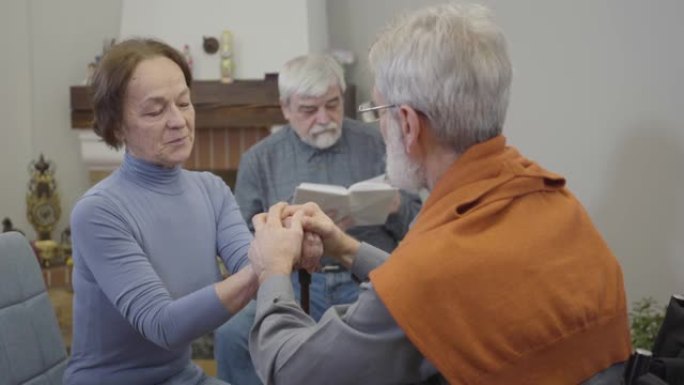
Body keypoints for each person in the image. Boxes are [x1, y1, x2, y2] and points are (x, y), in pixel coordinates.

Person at [246, 4, 632, 385]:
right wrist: (346, 247)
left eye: (379, 110)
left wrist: (274, 270)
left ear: (409, 125)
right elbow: (445, 287)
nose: (378, 125)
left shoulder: (429, 272)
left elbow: (294, 373)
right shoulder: (560, 204)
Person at [213, 53, 422, 384]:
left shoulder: (379, 142)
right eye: (309, 110)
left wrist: (396, 204)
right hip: (296, 282)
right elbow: (241, 239)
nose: (324, 118)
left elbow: (419, 225)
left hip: (368, 278)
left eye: (333, 104)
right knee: (233, 334)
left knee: (410, 325)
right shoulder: (261, 159)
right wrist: (284, 236)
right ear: (285, 109)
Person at [64, 38, 261, 385]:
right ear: (118, 126)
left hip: (182, 376)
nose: (178, 121)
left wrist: (286, 240)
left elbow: (251, 264)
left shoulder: (211, 190)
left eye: (184, 103)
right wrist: (267, 263)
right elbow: (164, 326)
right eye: (155, 111)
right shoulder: (98, 212)